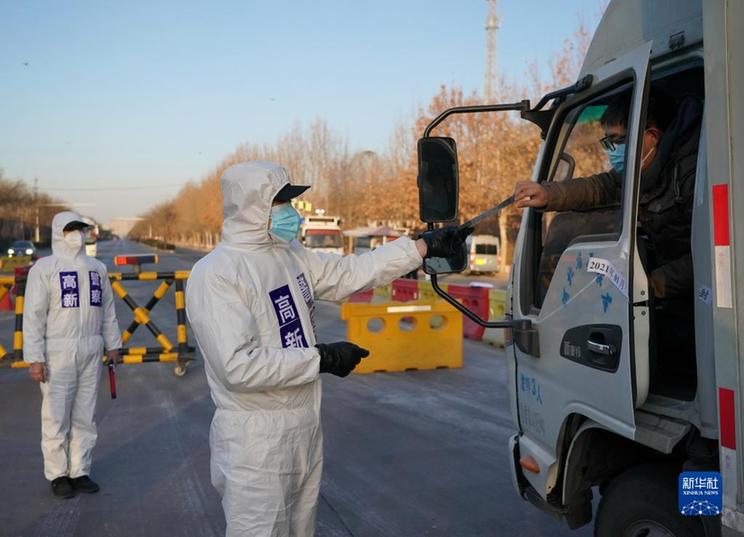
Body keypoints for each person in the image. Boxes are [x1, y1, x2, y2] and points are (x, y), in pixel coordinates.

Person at [186, 160, 467, 536]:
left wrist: (420, 247)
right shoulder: (218, 273)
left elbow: (347, 274)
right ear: (252, 207)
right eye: (280, 202)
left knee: (302, 529)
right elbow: (237, 367)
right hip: (255, 441)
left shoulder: (289, 254)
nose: (290, 212)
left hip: (304, 426)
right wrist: (322, 358)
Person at [514, 91, 702, 301]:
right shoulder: (637, 171)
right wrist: (548, 193)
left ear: (652, 136)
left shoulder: (691, 176)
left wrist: (647, 286)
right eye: (608, 141)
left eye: (618, 140)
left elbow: (707, 258)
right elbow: (600, 187)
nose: (612, 151)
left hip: (694, 299)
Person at [23, 211, 121, 499]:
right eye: (70, 229)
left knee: (85, 416)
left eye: (80, 229)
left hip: (91, 349)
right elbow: (33, 316)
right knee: (56, 416)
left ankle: (80, 470)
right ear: (58, 232)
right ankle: (58, 474)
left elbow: (108, 309)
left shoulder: (97, 268)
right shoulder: (45, 269)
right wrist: (35, 358)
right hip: (57, 352)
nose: (77, 234)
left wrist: (113, 344)